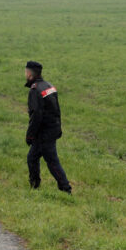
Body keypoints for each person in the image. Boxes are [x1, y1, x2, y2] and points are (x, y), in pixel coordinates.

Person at [25, 61, 72, 194]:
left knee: (52, 161)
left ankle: (65, 188)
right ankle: (34, 185)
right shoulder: (49, 86)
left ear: (29, 74)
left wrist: (30, 135)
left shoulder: (35, 91)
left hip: (44, 133)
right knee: (32, 157)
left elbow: (36, 115)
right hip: (52, 129)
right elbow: (57, 110)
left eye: (25, 72)